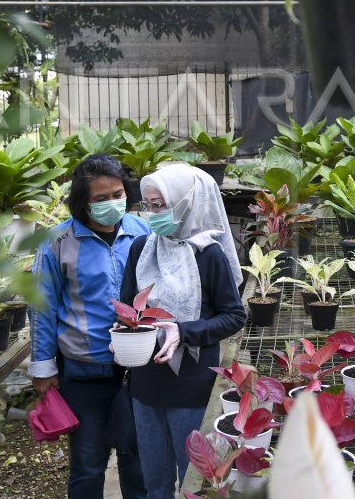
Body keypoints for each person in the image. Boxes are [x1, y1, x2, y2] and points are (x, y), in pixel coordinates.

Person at [116, 162, 246, 499]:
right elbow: (127, 307)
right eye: (147, 205)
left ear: (185, 203)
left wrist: (183, 331)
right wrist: (121, 333)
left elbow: (233, 316)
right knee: (154, 481)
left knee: (194, 480)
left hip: (191, 385)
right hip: (146, 383)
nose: (152, 214)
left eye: (160, 205)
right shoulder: (142, 249)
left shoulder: (209, 254)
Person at [29, 154, 148, 499]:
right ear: (83, 202)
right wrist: (42, 368)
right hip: (84, 374)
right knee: (88, 465)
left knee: (137, 461)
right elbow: (41, 308)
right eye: (101, 198)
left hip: (136, 371)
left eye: (117, 194)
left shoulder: (142, 232)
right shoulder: (57, 242)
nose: (112, 203)